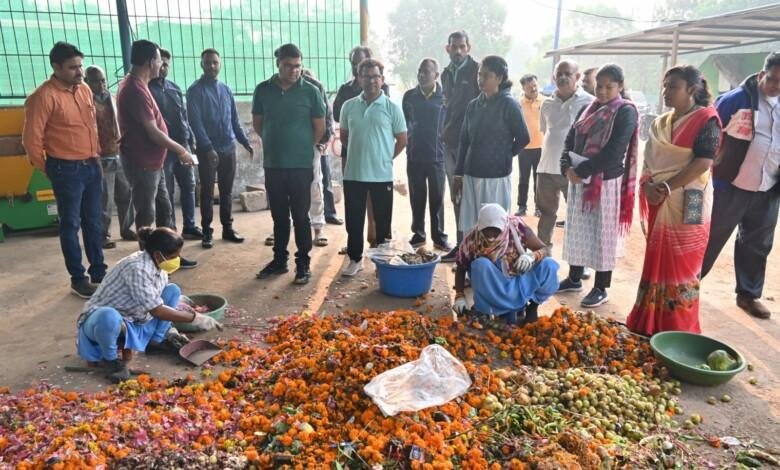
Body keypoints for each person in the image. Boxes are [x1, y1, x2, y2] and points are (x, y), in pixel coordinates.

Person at [626, 65, 722, 335]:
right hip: (659, 196)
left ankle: (678, 326)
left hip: (691, 199)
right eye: (665, 86)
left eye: (673, 87)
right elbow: (649, 163)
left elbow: (704, 162)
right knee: (657, 258)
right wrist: (648, 186)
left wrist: (667, 186)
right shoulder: (659, 123)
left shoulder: (707, 119)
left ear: (692, 90)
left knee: (684, 263)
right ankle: (650, 321)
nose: (666, 92)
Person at [76, 227, 221, 383]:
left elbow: (155, 296)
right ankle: (112, 361)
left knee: (172, 290)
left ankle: (156, 341)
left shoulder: (158, 264)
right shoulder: (136, 268)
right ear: (158, 254)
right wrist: (195, 318)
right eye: (174, 256)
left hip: (135, 317)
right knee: (109, 316)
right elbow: (157, 310)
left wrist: (183, 309)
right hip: (102, 322)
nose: (177, 259)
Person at [23, 42, 106, 298]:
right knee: (70, 224)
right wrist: (52, 170)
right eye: (72, 68)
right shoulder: (42, 97)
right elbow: (31, 141)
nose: (79, 72)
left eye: (80, 65)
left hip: (91, 165)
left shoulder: (83, 90)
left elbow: (90, 127)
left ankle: (100, 274)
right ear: (56, 67)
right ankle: (78, 279)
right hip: (66, 169)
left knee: (94, 222)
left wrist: (97, 157)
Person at [701, 52, 780, 320]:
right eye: (772, 79)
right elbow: (708, 133)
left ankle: (748, 295)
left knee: (757, 244)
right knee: (709, 237)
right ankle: (685, 286)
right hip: (730, 185)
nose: (776, 86)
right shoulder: (736, 100)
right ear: (762, 75)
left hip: (768, 187)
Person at [557, 64, 639, 308]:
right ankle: (574, 278)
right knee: (578, 230)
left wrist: (580, 171)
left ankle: (601, 287)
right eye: (599, 86)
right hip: (579, 179)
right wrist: (566, 167)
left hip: (605, 182)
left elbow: (615, 152)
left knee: (604, 234)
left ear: (620, 87)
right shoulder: (587, 108)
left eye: (609, 87)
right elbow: (570, 140)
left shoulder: (625, 112)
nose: (602, 91)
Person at [116, 40, 198, 269]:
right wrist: (181, 150)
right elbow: (152, 132)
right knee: (146, 214)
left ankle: (170, 255)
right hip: (142, 161)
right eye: (159, 59)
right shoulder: (134, 89)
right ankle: (147, 263)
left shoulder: (141, 84)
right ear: (150, 61)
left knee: (165, 207)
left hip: (154, 161)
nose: (162, 63)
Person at [252, 44, 326, 284]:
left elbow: (320, 127)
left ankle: (302, 263)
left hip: (301, 166)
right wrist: (277, 145)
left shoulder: (311, 91)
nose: (294, 71)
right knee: (279, 216)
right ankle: (279, 260)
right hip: (273, 164)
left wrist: (302, 147)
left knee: (301, 216)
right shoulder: (263, 90)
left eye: (297, 66)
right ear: (278, 64)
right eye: (288, 66)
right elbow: (258, 124)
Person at [339, 58, 407, 277]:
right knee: (354, 220)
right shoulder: (349, 106)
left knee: (382, 222)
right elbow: (344, 136)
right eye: (366, 76)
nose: (371, 81)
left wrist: (384, 158)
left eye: (376, 76)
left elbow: (402, 140)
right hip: (354, 175)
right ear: (359, 79)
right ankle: (355, 259)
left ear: (382, 79)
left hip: (381, 176)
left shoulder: (391, 108)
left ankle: (382, 263)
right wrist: (362, 154)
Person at [453, 56, 530, 236]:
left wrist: (505, 153)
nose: (480, 79)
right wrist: (458, 173)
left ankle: (493, 263)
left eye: (486, 76)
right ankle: (470, 261)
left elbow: (523, 137)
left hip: (496, 177)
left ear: (500, 78)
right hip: (472, 173)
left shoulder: (509, 104)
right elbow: (464, 140)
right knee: (472, 225)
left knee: (493, 227)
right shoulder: (473, 105)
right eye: (479, 74)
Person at [187, 48, 253, 249]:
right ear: (202, 64)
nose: (212, 66)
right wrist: (207, 148)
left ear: (220, 64)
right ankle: (207, 231)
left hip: (228, 148)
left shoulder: (226, 89)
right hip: (208, 151)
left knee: (226, 191)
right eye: (208, 63)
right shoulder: (195, 91)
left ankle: (227, 228)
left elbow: (234, 119)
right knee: (207, 191)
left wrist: (244, 141)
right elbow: (195, 123)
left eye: (215, 62)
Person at [452, 204, 559, 325]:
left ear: (504, 225)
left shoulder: (517, 227)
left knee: (548, 265)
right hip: (496, 285)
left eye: (496, 231)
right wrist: (459, 296)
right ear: (480, 226)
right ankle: (491, 308)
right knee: (479, 265)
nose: (491, 237)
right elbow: (460, 268)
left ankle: (532, 307)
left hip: (518, 280)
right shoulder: (472, 240)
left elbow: (545, 250)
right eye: (486, 231)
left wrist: (531, 257)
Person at [333, 46, 390, 251]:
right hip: (352, 153)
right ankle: (354, 244)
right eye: (355, 62)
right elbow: (337, 114)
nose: (358, 64)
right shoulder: (346, 89)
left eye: (362, 60)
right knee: (354, 199)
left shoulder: (383, 89)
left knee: (375, 200)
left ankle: (374, 239)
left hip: (376, 156)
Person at [536, 60, 594, 247]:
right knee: (546, 213)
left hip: (573, 170)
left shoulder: (589, 102)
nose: (562, 77)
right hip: (546, 168)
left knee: (578, 216)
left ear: (577, 77)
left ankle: (579, 264)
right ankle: (542, 255)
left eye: (567, 74)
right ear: (554, 77)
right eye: (558, 74)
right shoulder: (546, 104)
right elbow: (547, 133)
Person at [149, 48, 202, 241]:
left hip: (183, 146)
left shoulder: (174, 87)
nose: (163, 67)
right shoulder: (147, 89)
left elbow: (184, 117)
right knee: (166, 192)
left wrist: (190, 139)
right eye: (160, 62)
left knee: (188, 186)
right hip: (163, 150)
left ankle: (189, 226)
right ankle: (169, 233)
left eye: (166, 64)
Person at [401, 58, 451, 251]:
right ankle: (419, 234)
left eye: (427, 72)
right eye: (420, 71)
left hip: (438, 156)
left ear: (436, 75)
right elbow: (407, 123)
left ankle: (439, 237)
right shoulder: (409, 96)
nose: (422, 75)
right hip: (414, 155)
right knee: (417, 197)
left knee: (437, 198)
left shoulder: (445, 96)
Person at [84, 65, 135, 248]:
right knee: (105, 199)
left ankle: (126, 228)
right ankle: (103, 234)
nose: (101, 84)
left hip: (119, 153)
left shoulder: (113, 99)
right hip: (100, 156)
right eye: (96, 81)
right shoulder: (86, 103)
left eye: (103, 80)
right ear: (87, 82)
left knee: (126, 193)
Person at [440, 30, 480, 262]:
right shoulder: (446, 74)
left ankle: (475, 247)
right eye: (454, 47)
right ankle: (461, 245)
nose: (458, 51)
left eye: (462, 46)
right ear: (448, 48)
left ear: (468, 47)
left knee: (472, 196)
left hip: (472, 145)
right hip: (450, 142)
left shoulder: (477, 71)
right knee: (456, 196)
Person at [517, 73, 545, 217]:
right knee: (523, 179)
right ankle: (522, 207)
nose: (533, 89)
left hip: (541, 147)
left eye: (535, 85)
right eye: (529, 87)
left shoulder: (545, 101)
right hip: (524, 148)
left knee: (538, 180)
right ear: (523, 88)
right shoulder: (519, 103)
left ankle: (539, 208)